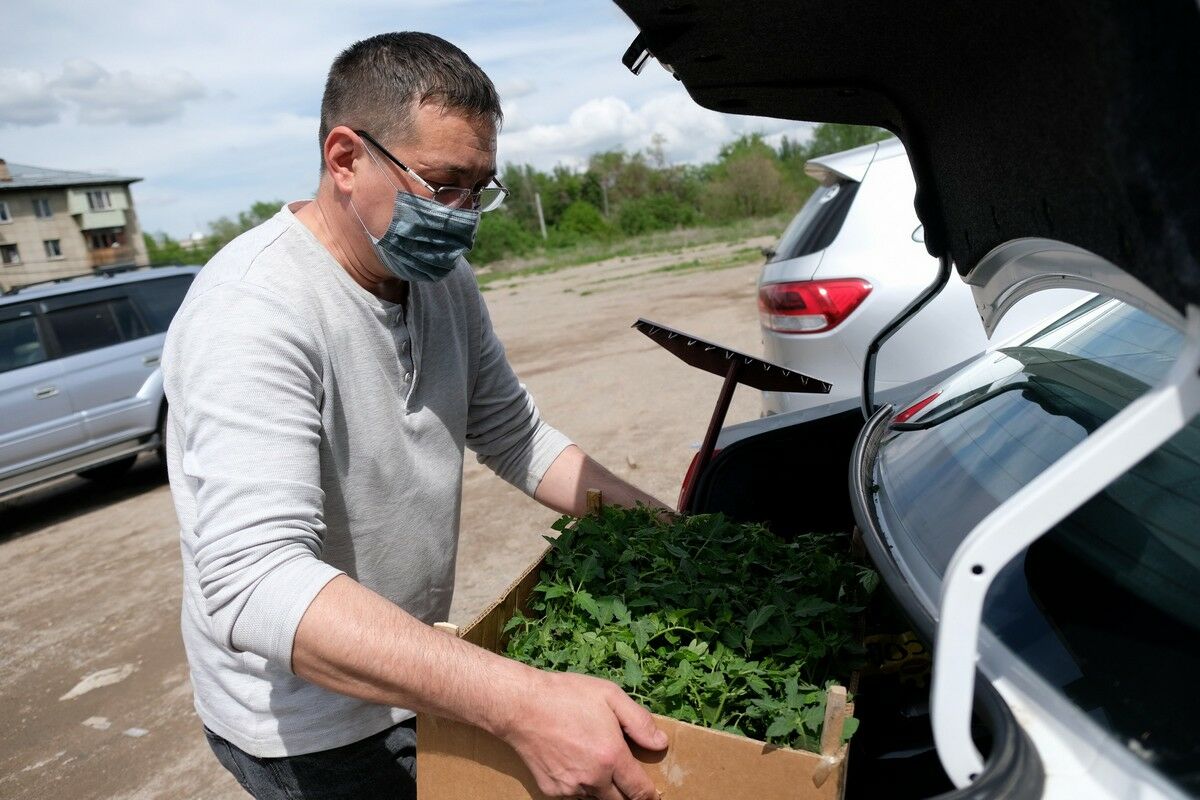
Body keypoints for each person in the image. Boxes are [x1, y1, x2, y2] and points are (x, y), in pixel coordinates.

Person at [163, 31, 671, 800]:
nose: (464, 218)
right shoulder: (253, 311)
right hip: (312, 728)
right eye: (444, 184)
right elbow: (255, 579)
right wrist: (520, 702)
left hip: (410, 672)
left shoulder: (440, 278)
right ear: (345, 158)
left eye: (481, 190)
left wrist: (664, 527)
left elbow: (514, 432)